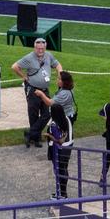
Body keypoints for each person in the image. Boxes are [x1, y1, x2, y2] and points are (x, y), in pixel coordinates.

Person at [11, 39, 62, 148]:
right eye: (38, 48)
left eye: (42, 48)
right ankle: (36, 139)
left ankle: (30, 134)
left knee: (47, 113)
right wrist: (24, 76)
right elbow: (15, 67)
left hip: (44, 90)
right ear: (35, 48)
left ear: (45, 48)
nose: (40, 50)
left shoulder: (48, 55)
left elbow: (58, 65)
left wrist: (60, 74)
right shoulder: (29, 58)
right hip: (33, 89)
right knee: (33, 114)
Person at [36, 71, 76, 199]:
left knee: (60, 170)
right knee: (63, 169)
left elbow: (59, 140)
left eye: (59, 78)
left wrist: (49, 136)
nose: (57, 80)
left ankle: (62, 194)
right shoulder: (66, 120)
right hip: (67, 145)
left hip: (60, 149)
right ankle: (62, 193)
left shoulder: (55, 124)